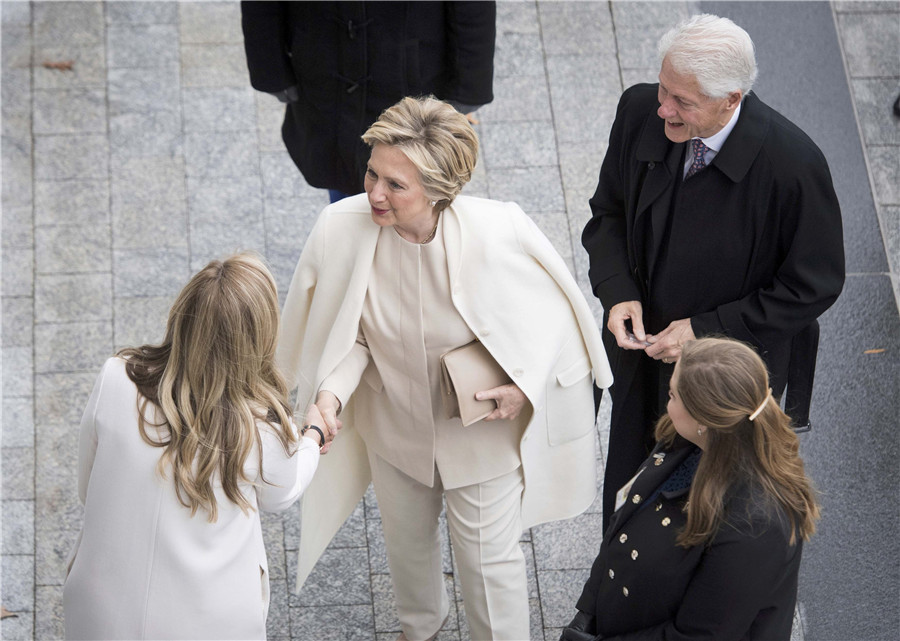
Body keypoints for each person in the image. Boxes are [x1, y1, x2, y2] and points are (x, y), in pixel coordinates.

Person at [276, 96, 613, 641]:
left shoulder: (499, 230)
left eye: (395, 185)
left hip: (480, 434)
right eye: (371, 173)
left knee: (488, 567)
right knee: (406, 552)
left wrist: (523, 390)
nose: (374, 193)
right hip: (395, 430)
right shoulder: (341, 229)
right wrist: (331, 397)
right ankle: (420, 631)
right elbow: (354, 338)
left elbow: (555, 318)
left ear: (438, 190)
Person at [582, 14, 845, 531]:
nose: (664, 109)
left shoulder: (794, 166)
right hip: (642, 361)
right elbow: (607, 214)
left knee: (704, 514)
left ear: (732, 98)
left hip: (721, 389)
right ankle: (607, 604)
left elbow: (813, 285)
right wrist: (618, 293)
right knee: (629, 487)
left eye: (683, 101)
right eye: (663, 89)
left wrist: (706, 330)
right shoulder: (640, 111)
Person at [63, 254, 332, 640]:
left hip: (101, 609)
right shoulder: (260, 430)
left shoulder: (117, 377)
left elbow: (88, 487)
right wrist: (312, 436)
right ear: (258, 338)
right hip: (209, 620)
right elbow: (281, 494)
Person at [559, 337, 820, 641]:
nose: (667, 403)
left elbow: (698, 636)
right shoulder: (684, 441)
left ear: (704, 419)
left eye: (672, 394)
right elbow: (624, 521)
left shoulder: (756, 523)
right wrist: (587, 614)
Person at [241, 1, 496, 202]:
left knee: (420, 189)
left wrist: (470, 85)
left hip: (413, 73)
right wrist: (269, 66)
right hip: (325, 69)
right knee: (345, 179)